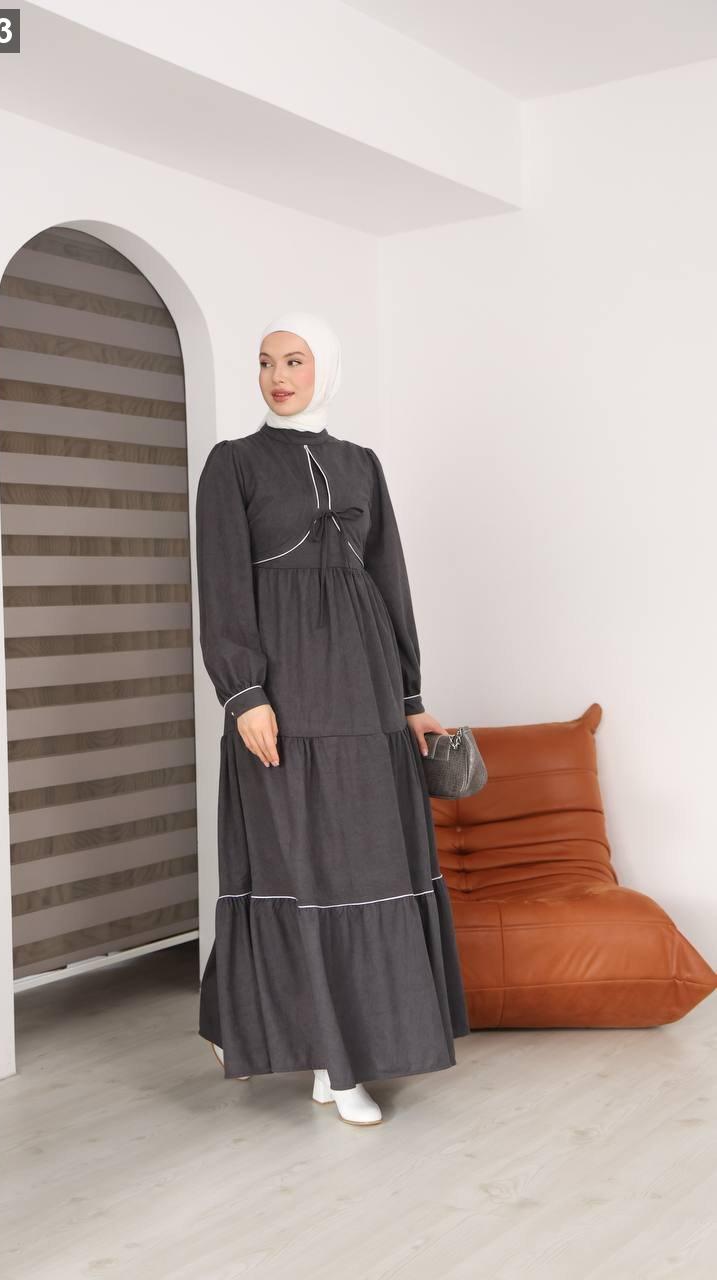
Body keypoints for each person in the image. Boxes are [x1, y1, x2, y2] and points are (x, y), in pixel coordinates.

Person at [196, 310, 470, 1126]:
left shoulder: (361, 464)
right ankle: (327, 1059)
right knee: (299, 868)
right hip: (284, 691)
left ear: (325, 370)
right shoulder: (233, 462)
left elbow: (389, 579)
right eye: (266, 362)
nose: (278, 376)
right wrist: (243, 692)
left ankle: (336, 1054)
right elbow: (221, 583)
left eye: (295, 361)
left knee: (366, 867)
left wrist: (410, 698)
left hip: (367, 688)